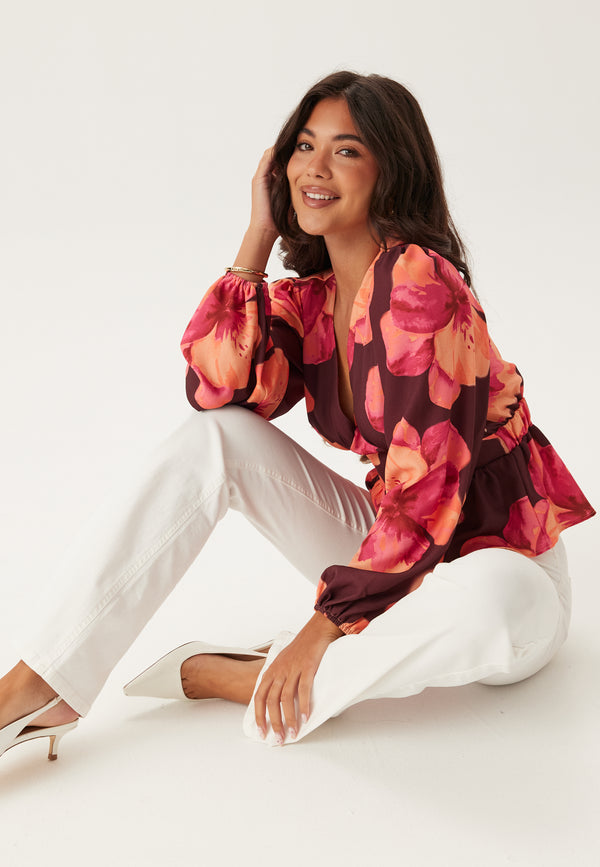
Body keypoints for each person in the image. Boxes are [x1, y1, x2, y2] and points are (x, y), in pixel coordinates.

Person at [0, 71, 594, 757]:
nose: (315, 167)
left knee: (495, 604)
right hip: (396, 561)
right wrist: (257, 234)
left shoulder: (420, 281)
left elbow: (431, 488)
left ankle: (255, 676)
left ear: (390, 171)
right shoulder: (311, 303)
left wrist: (320, 628)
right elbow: (213, 387)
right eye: (304, 146)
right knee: (216, 438)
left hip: (505, 570)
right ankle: (44, 680)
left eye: (346, 150)